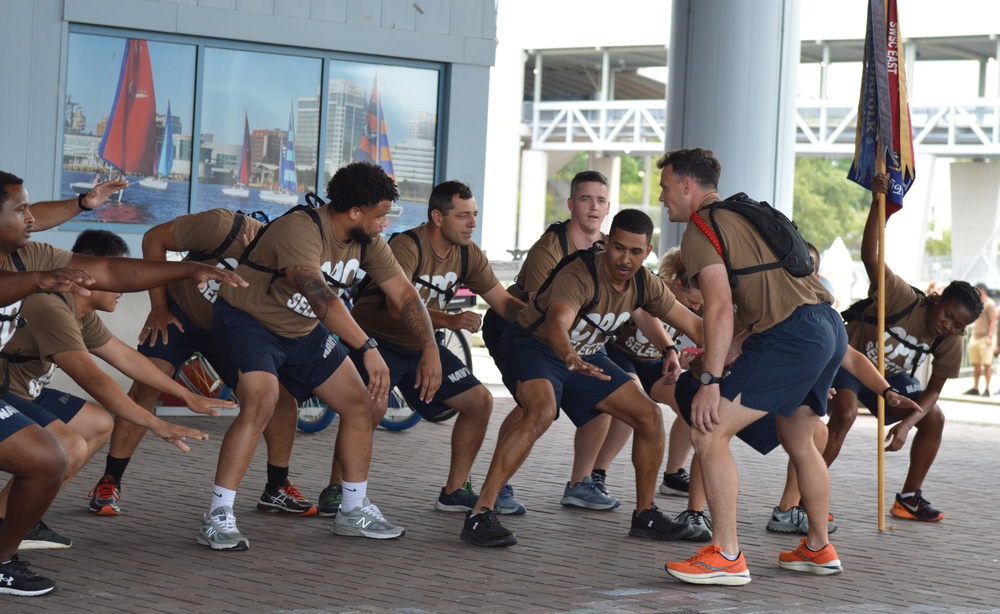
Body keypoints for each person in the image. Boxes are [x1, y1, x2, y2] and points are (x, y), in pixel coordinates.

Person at [0, 171, 243, 597]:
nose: (31, 218)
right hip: (10, 387)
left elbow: (112, 275)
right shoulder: (46, 299)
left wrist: (186, 270)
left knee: (67, 444)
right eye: (21, 210)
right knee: (50, 456)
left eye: (29, 209)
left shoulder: (30, 257)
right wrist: (155, 423)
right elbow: (93, 377)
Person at [202, 161, 441, 551]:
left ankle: (351, 510)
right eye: (381, 215)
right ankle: (217, 515)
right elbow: (320, 296)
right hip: (250, 323)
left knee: (361, 403)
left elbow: (405, 294)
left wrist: (431, 347)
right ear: (354, 213)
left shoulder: (369, 241)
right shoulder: (301, 228)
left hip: (302, 331)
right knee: (262, 401)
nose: (386, 224)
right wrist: (367, 347)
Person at [461, 209, 704, 547]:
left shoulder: (645, 282)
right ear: (606, 243)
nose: (625, 259)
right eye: (618, 248)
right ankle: (479, 513)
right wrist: (569, 355)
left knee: (648, 415)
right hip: (537, 347)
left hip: (587, 356)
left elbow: (692, 324)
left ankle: (645, 514)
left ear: (647, 252)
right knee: (541, 411)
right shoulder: (580, 273)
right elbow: (558, 323)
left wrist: (735, 348)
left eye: (635, 252)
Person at [659, 148, 846, 586]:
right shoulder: (745, 213)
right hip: (827, 326)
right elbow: (762, 303)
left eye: (666, 187)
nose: (663, 196)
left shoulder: (701, 228)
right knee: (799, 436)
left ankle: (725, 553)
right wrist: (734, 350)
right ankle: (818, 547)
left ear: (688, 186)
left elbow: (721, 308)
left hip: (794, 335)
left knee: (707, 429)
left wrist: (711, 379)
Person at [88, 209, 315, 518]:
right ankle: (110, 481)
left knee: (278, 399)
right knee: (144, 386)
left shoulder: (292, 259)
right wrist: (158, 306)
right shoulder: (223, 226)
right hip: (179, 313)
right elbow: (154, 239)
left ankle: (276, 487)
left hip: (233, 329)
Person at [803, 173, 981, 524]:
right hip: (848, 361)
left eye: (958, 326)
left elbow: (932, 391)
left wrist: (906, 424)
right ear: (937, 299)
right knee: (845, 415)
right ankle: (808, 498)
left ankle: (909, 498)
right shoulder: (900, 296)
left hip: (888, 379)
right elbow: (870, 255)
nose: (949, 326)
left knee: (934, 419)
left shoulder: (950, 342)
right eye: (948, 316)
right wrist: (876, 205)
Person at [346, 180, 526, 515]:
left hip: (420, 346)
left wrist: (547, 322)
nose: (472, 223)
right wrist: (452, 321)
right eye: (463, 216)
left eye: (474, 215)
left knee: (479, 401)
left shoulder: (468, 253)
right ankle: (336, 491)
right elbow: (398, 308)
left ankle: (454, 491)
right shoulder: (407, 245)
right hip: (375, 340)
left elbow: (504, 303)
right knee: (370, 409)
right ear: (438, 217)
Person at [483, 170, 635, 511]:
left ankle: (580, 484)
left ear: (608, 206)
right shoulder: (551, 247)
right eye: (585, 199)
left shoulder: (609, 246)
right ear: (571, 204)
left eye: (600, 200)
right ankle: (498, 486)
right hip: (518, 326)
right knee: (534, 406)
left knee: (603, 393)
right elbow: (540, 309)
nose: (593, 207)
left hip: (572, 334)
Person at [592, 248, 702, 505]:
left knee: (691, 401)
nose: (696, 307)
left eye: (699, 303)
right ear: (675, 285)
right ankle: (597, 473)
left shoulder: (696, 304)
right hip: (617, 353)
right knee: (632, 400)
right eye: (692, 301)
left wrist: (688, 361)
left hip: (655, 363)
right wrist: (670, 351)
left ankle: (674, 474)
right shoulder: (649, 287)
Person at [964, 283, 995, 396]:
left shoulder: (990, 304)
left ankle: (987, 388)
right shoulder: (978, 303)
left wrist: (990, 337)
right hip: (975, 336)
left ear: (982, 290)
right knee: (976, 363)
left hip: (986, 337)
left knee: (987, 364)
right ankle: (975, 387)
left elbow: (993, 321)